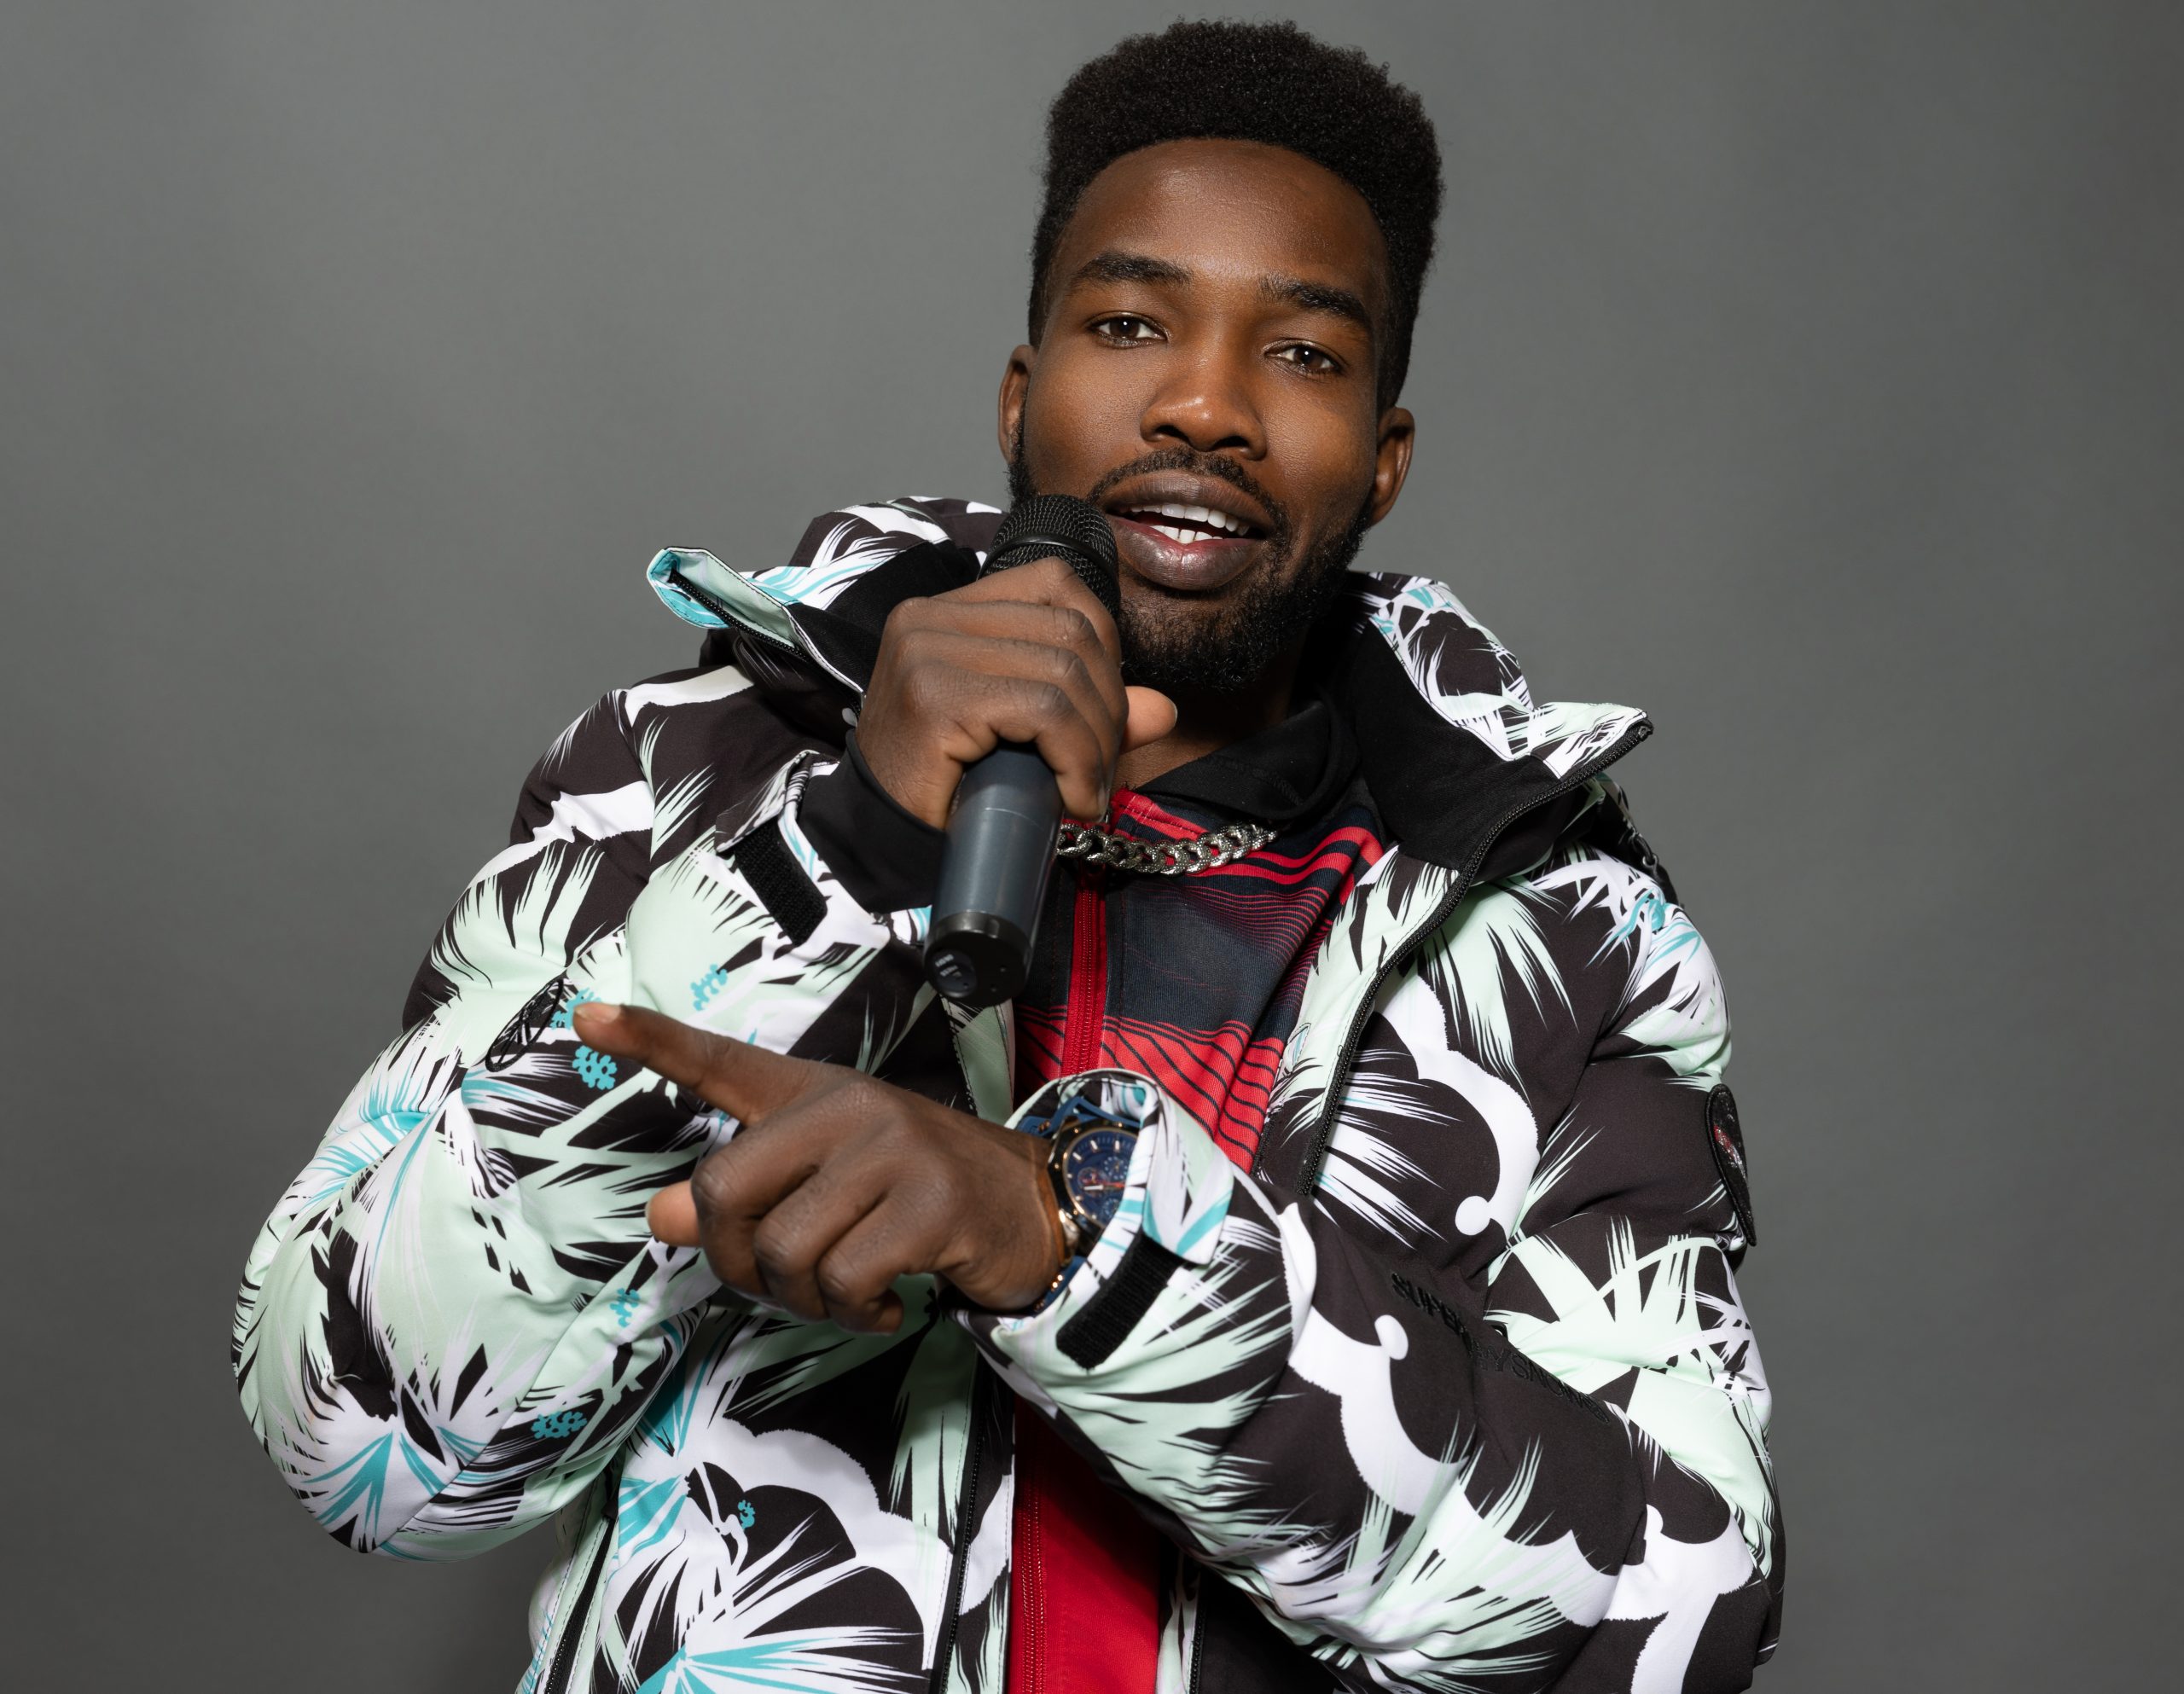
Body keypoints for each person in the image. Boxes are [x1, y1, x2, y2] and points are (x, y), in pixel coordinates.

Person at [234, 20, 1781, 1692]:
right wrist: (835, 855)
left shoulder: (1547, 920)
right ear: (1019, 393)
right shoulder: (681, 773)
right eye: (1130, 324)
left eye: (1303, 354)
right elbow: (358, 1441)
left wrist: (1079, 1252)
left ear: (1384, 461)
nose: (1205, 404)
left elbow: (1673, 1616)